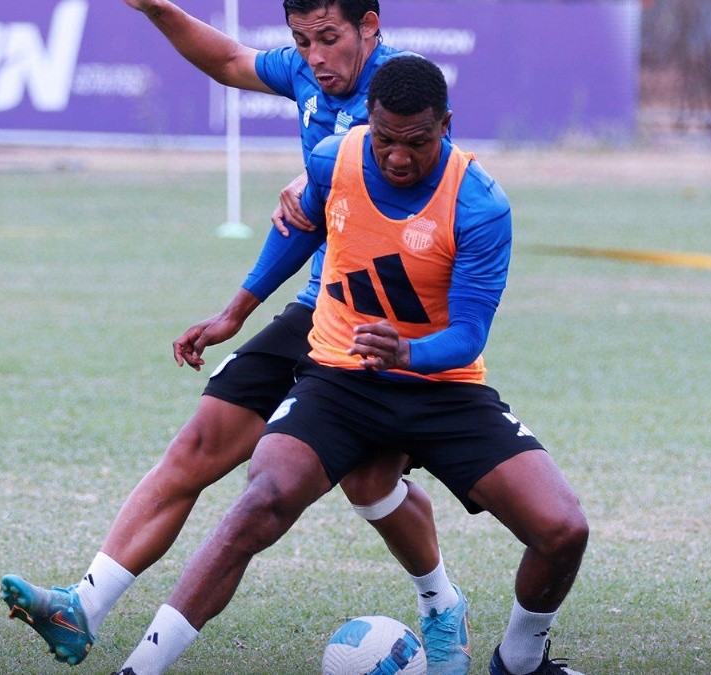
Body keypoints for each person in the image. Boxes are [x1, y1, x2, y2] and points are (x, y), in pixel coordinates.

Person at [0, 2, 472, 673]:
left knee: (370, 482)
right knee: (199, 443)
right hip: (317, 305)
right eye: (302, 41)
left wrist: (325, 174)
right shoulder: (312, 75)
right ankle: (83, 604)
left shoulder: (399, 92)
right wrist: (157, 8)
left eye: (329, 38)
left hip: (386, 325)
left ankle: (440, 605)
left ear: (370, 26)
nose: (315, 56)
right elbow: (227, 60)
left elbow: (401, 176)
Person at [115, 56, 590, 675]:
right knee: (261, 500)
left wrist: (408, 352)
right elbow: (301, 226)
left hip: (440, 387)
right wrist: (237, 310)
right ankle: (139, 668)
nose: (397, 156)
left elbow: (469, 335)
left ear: (445, 125)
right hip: (339, 379)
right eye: (387, 139)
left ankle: (521, 663)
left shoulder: (478, 205)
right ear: (370, 119)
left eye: (417, 142)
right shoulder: (335, 157)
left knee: (563, 529)